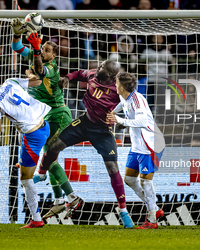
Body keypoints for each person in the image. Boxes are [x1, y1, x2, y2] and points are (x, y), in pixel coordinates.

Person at [35, 60, 134, 228]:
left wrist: (120, 121)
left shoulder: (119, 91)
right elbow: (80, 73)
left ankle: (123, 210)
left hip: (103, 131)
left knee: (113, 168)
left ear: (110, 76)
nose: (98, 67)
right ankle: (42, 173)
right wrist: (67, 77)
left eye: (102, 67)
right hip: (85, 123)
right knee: (54, 147)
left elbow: (130, 113)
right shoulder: (93, 75)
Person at [10, 19, 81, 220]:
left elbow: (40, 71)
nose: (44, 51)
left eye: (48, 50)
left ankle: (72, 197)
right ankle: (59, 201)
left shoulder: (53, 67)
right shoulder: (35, 55)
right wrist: (17, 34)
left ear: (54, 55)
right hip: (45, 116)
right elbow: (17, 47)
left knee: (49, 155)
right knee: (50, 158)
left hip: (59, 115)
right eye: (43, 47)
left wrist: (34, 55)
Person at [0, 77, 50, 228]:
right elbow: (36, 82)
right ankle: (30, 166)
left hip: (33, 136)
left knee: (25, 179)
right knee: (27, 148)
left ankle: (37, 219)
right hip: (44, 124)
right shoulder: (10, 82)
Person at [107, 72, 165, 229]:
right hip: (137, 145)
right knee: (130, 179)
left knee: (146, 181)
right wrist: (114, 111)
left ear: (123, 86)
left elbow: (142, 120)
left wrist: (118, 120)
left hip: (150, 143)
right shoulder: (125, 97)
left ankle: (152, 219)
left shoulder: (137, 100)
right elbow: (121, 104)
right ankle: (155, 208)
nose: (115, 86)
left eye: (117, 83)